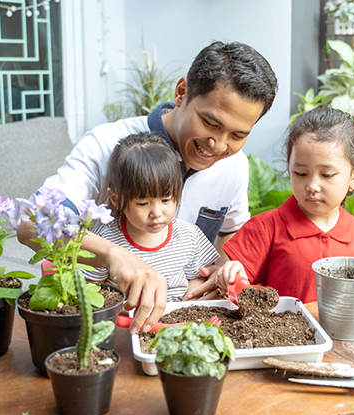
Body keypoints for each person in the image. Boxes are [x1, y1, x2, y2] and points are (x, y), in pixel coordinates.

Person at [17, 41, 277, 333]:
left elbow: (231, 236)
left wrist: (222, 272)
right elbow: (31, 224)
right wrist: (114, 255)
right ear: (181, 93)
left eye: (238, 135)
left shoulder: (234, 165)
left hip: (188, 327)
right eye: (210, 123)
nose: (218, 145)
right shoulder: (105, 145)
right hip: (111, 327)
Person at [193, 107, 354, 303]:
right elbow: (230, 284)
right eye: (301, 174)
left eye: (327, 175)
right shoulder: (264, 228)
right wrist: (229, 274)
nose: (312, 186)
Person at [83, 132, 220, 302]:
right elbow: (92, 289)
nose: (157, 212)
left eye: (165, 200)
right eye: (143, 204)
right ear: (116, 200)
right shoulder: (104, 240)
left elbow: (199, 278)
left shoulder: (189, 236)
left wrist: (188, 303)